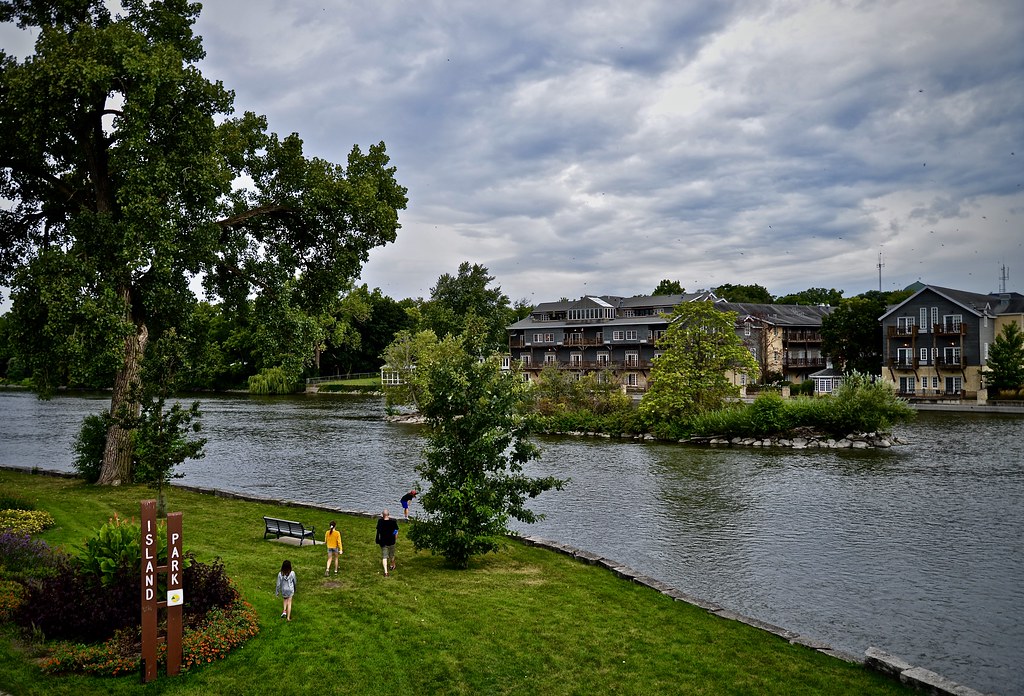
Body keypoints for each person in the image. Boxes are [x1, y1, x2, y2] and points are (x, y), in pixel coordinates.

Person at [375, 509, 399, 576]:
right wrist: (394, 538)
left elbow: (378, 532)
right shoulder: (393, 522)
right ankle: (392, 564)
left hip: (383, 542)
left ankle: (386, 572)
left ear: (383, 515)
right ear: (388, 514)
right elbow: (396, 531)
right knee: (392, 555)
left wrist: (378, 540)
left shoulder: (380, 522)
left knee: (384, 556)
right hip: (391, 541)